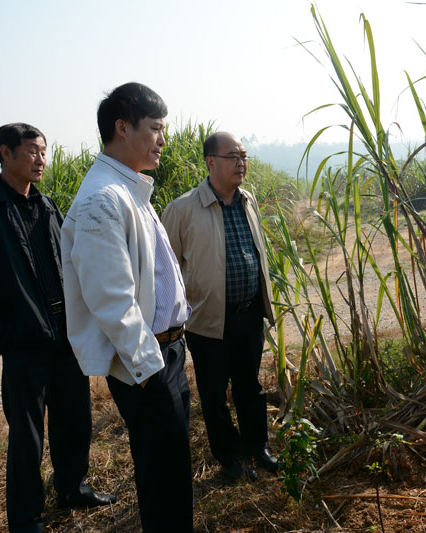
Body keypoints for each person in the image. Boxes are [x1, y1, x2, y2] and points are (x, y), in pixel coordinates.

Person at [0, 123, 115, 533]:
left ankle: (72, 488)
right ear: (5, 153)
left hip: (65, 336)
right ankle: (26, 518)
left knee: (75, 420)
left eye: (44, 151)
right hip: (23, 345)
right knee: (27, 438)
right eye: (32, 151)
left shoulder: (47, 206)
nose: (41, 159)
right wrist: (4, 340)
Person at [61, 83, 192, 532]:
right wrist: (149, 368)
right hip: (148, 361)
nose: (162, 140)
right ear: (122, 127)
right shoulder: (102, 198)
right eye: (155, 129)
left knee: (172, 465)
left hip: (166, 353)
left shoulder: (128, 189)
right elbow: (111, 297)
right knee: (162, 473)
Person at [162, 131, 277, 482]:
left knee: (250, 387)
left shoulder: (247, 200)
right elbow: (165, 268)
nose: (241, 162)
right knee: (214, 395)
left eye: (244, 155)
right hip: (209, 321)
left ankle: (257, 447)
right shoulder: (183, 209)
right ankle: (230, 458)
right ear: (210, 162)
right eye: (233, 156)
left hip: (249, 314)